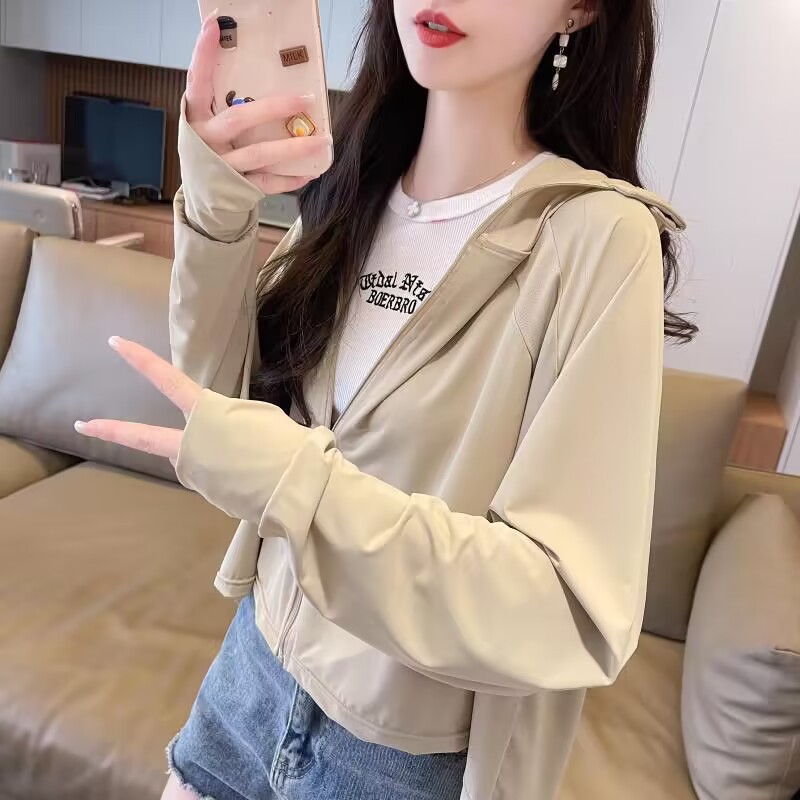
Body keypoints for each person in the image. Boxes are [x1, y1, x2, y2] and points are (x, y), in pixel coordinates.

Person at [75, 0, 697, 798]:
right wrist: (220, 206)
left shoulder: (598, 240)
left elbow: (569, 610)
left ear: (580, 9)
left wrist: (303, 487)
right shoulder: (353, 183)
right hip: (249, 673)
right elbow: (223, 410)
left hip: (392, 759)